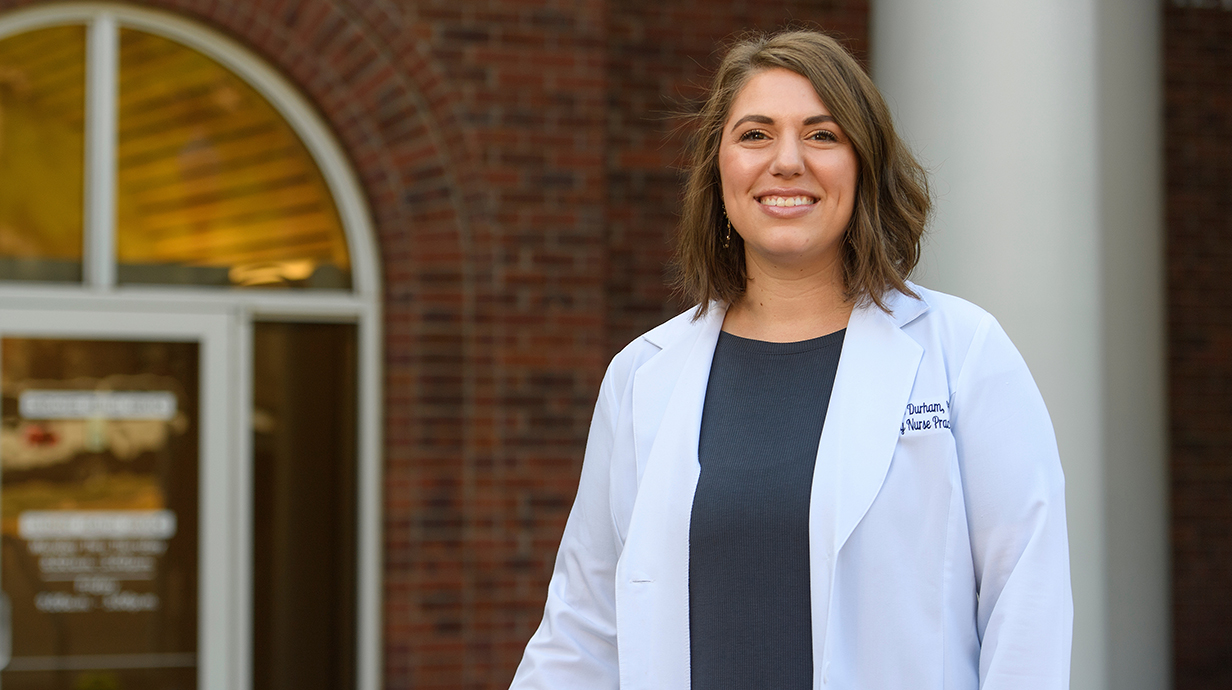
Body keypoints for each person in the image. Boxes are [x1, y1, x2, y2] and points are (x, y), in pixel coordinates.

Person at [510, 29, 1072, 690]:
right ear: (719, 171)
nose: (786, 161)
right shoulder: (642, 376)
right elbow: (582, 629)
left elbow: (1025, 601)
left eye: (822, 135)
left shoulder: (964, 354)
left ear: (864, 164)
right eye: (754, 135)